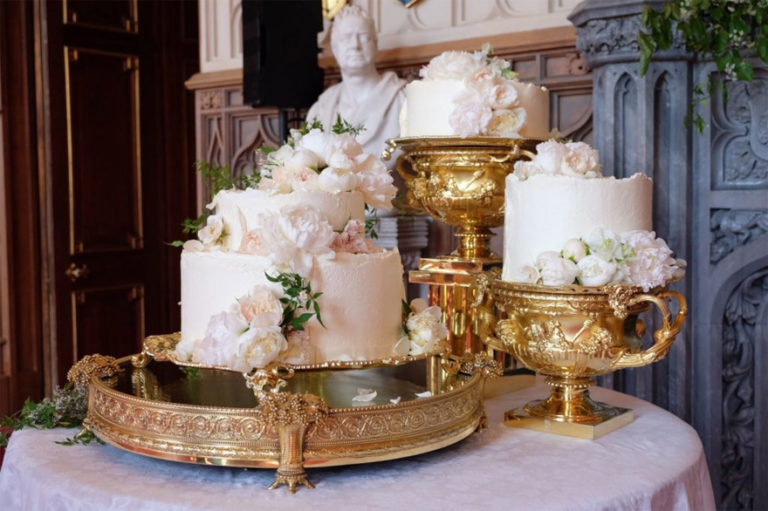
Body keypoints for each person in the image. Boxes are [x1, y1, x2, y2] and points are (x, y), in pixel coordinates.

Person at [306, 5, 405, 158]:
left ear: (375, 44)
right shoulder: (319, 111)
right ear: (334, 47)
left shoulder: (402, 101)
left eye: (364, 37)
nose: (355, 45)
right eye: (346, 38)